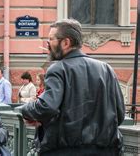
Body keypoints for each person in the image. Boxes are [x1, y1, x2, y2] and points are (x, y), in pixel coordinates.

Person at [20, 19, 125, 155]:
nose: (47, 44)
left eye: (51, 39)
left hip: (65, 151)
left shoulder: (58, 69)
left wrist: (24, 109)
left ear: (66, 42)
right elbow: (120, 114)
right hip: (105, 151)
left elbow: (47, 106)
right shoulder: (106, 69)